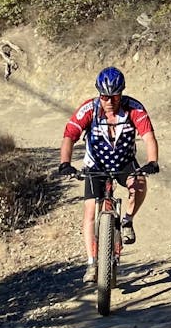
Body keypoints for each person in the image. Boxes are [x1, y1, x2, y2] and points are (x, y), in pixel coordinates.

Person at [58, 66, 160, 284]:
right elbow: (69, 136)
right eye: (105, 96)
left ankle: (127, 221)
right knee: (89, 212)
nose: (110, 101)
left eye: (114, 96)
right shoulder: (88, 110)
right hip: (95, 165)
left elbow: (148, 136)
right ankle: (92, 263)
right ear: (99, 94)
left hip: (124, 162)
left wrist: (153, 161)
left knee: (139, 184)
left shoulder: (134, 108)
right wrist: (65, 163)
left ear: (121, 93)